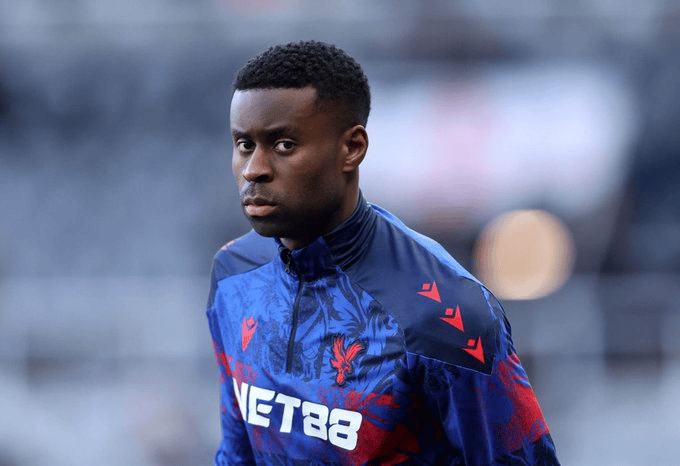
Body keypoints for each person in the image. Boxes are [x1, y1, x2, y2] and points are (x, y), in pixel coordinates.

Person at [205, 40, 560, 465]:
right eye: (244, 144)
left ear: (352, 148)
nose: (254, 169)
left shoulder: (445, 313)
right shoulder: (233, 274)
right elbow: (237, 452)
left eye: (283, 145)